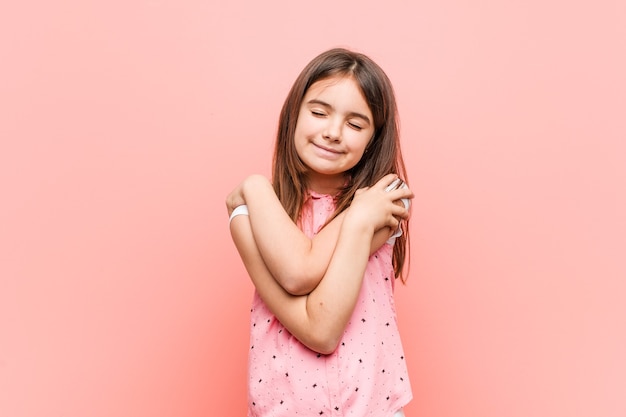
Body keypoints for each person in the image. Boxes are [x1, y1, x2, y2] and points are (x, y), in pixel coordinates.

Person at [226, 48, 414, 417]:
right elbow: (303, 286)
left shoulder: (386, 202)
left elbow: (308, 288)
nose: (332, 132)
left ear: (373, 139)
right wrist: (259, 189)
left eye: (356, 125)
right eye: (318, 113)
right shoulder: (254, 212)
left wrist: (360, 218)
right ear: (294, 114)